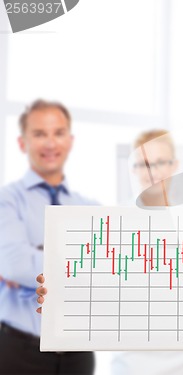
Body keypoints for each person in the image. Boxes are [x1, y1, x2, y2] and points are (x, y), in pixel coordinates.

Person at [0, 99, 96, 374]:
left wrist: (39, 262)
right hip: (19, 351)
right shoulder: (7, 200)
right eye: (39, 134)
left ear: (71, 140)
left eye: (58, 133)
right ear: (22, 142)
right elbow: (14, 264)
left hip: (79, 353)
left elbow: (105, 272)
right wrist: (78, 266)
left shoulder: (90, 208)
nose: (50, 143)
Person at [111, 129, 183, 375]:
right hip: (131, 361)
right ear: (133, 169)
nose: (152, 173)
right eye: (143, 164)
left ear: (175, 165)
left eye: (160, 162)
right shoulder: (113, 221)